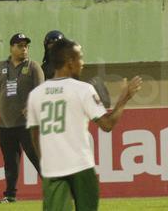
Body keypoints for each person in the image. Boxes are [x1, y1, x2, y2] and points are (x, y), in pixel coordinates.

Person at [26, 37, 141, 211]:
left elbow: (34, 135)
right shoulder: (82, 89)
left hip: (53, 169)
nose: (83, 63)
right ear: (70, 62)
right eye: (80, 57)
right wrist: (124, 97)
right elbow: (107, 125)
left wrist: (45, 161)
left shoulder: (35, 94)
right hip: (81, 167)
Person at [0, 33, 43, 204]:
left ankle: (55, 189)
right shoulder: (1, 66)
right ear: (11, 47)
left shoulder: (34, 67)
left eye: (26, 46)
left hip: (27, 124)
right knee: (10, 163)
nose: (24, 49)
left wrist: (31, 106)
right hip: (5, 124)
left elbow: (42, 91)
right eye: (20, 46)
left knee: (37, 158)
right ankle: (10, 196)